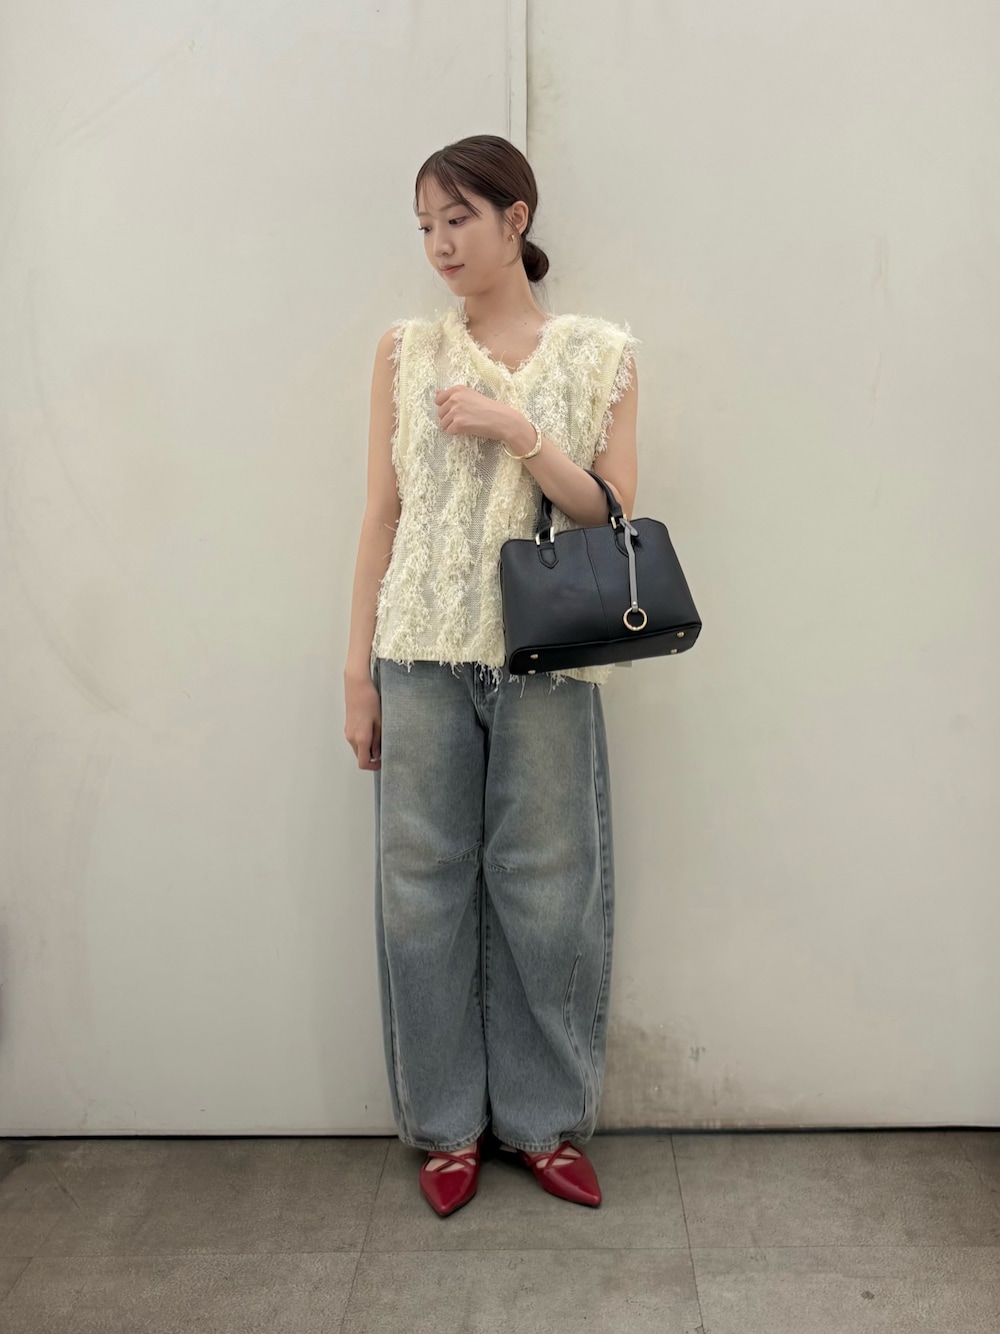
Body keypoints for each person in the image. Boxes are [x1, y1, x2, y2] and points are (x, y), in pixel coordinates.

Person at [344, 134, 640, 1218]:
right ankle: (445, 1126)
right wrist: (357, 673)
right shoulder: (405, 351)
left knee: (549, 886)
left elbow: (609, 512)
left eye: (458, 218)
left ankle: (541, 1120)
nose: (439, 243)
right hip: (419, 652)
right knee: (420, 890)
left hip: (547, 662)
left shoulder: (599, 353)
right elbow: (380, 516)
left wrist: (517, 430)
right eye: (425, 225)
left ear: (517, 218)